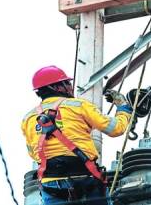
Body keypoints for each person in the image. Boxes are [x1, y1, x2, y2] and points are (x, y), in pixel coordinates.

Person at [21, 65, 132, 205]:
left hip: (51, 185)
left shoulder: (28, 119)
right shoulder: (78, 105)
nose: (70, 86)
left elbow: (33, 153)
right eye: (67, 83)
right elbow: (116, 128)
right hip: (85, 180)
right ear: (57, 87)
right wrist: (123, 109)